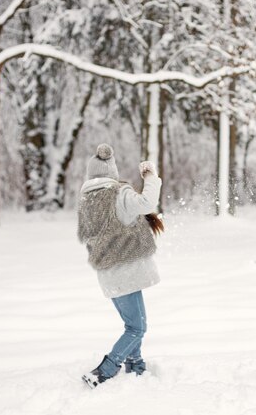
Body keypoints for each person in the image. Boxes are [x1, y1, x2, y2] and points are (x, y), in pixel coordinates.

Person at [77, 143, 163, 389]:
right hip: (127, 271)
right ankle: (106, 369)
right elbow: (147, 203)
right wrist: (150, 176)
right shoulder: (119, 193)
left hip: (107, 273)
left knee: (132, 324)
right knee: (137, 327)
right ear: (111, 171)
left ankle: (136, 366)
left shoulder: (87, 201)